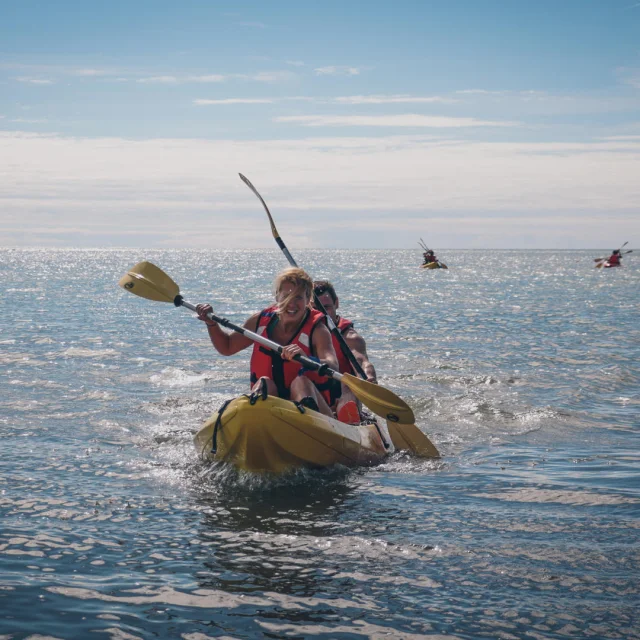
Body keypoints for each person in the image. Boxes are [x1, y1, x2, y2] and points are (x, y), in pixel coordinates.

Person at [195, 267, 339, 418]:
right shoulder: (259, 321)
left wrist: (307, 359)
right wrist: (211, 324)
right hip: (274, 407)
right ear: (277, 297)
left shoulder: (318, 330)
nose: (292, 304)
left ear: (308, 299)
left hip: (313, 408)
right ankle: (257, 419)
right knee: (264, 383)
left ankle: (306, 424)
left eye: (298, 298)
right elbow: (227, 347)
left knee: (301, 382)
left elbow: (333, 365)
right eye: (287, 296)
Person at [313, 280, 378, 425]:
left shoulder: (350, 338)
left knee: (348, 383)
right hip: (316, 395)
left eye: (327, 308)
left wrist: (369, 377)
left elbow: (362, 361)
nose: (321, 314)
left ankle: (347, 415)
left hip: (343, 395)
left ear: (336, 303)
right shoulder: (301, 334)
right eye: (316, 309)